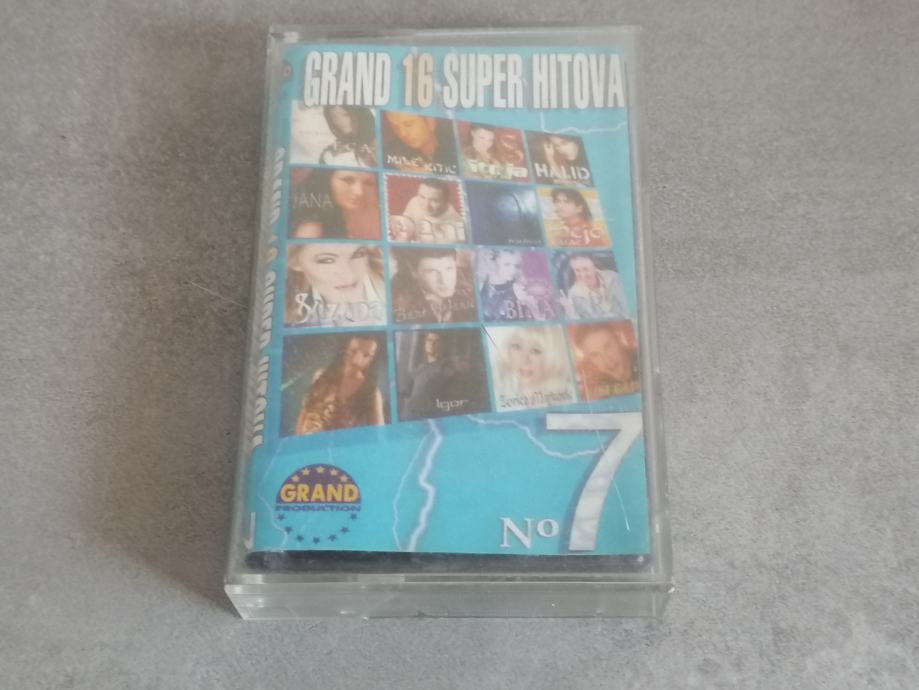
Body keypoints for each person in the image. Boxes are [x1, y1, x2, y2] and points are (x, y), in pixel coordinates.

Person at [294, 336, 385, 435]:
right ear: (344, 349)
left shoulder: (372, 392)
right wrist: (298, 439)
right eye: (353, 351)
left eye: (366, 355)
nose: (357, 360)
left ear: (372, 359)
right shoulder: (320, 375)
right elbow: (304, 413)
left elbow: (379, 434)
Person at [285, 244, 385, 326]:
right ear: (295, 262)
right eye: (327, 260)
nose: (349, 273)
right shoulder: (289, 316)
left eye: (358, 254)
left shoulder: (387, 283)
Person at [487, 325, 575, 411]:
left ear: (553, 356)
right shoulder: (495, 393)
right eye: (517, 347)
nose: (524, 360)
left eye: (536, 351)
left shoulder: (570, 396)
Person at [391, 248, 476, 324]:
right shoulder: (397, 302)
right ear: (414, 272)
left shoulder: (470, 286)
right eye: (432, 272)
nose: (444, 281)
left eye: (449, 269)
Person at [289, 168, 380, 240]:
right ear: (326, 180)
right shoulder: (312, 230)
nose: (359, 192)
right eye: (347, 180)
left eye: (368, 183)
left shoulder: (374, 219)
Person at [569, 322, 639, 400]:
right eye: (595, 355)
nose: (608, 361)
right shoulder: (595, 388)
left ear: (618, 340)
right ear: (589, 359)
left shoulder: (643, 357)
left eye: (608, 347)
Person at [479, 250, 552, 322]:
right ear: (494, 262)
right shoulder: (481, 286)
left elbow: (541, 318)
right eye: (507, 264)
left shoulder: (518, 289)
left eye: (516, 266)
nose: (513, 270)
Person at [560, 253, 629, 320]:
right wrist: (570, 311)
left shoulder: (613, 278)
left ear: (595, 268)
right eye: (577, 270)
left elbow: (628, 306)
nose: (583, 275)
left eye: (586, 269)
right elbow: (577, 323)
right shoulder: (574, 294)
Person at [383, 112, 456, 174]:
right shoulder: (394, 155)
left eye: (408, 124)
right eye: (396, 128)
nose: (403, 134)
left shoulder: (454, 151)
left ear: (430, 122)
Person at [397, 178, 465, 242]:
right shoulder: (414, 202)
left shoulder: (456, 227)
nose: (426, 205)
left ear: (446, 202)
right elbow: (405, 225)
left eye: (434, 200)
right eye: (422, 197)